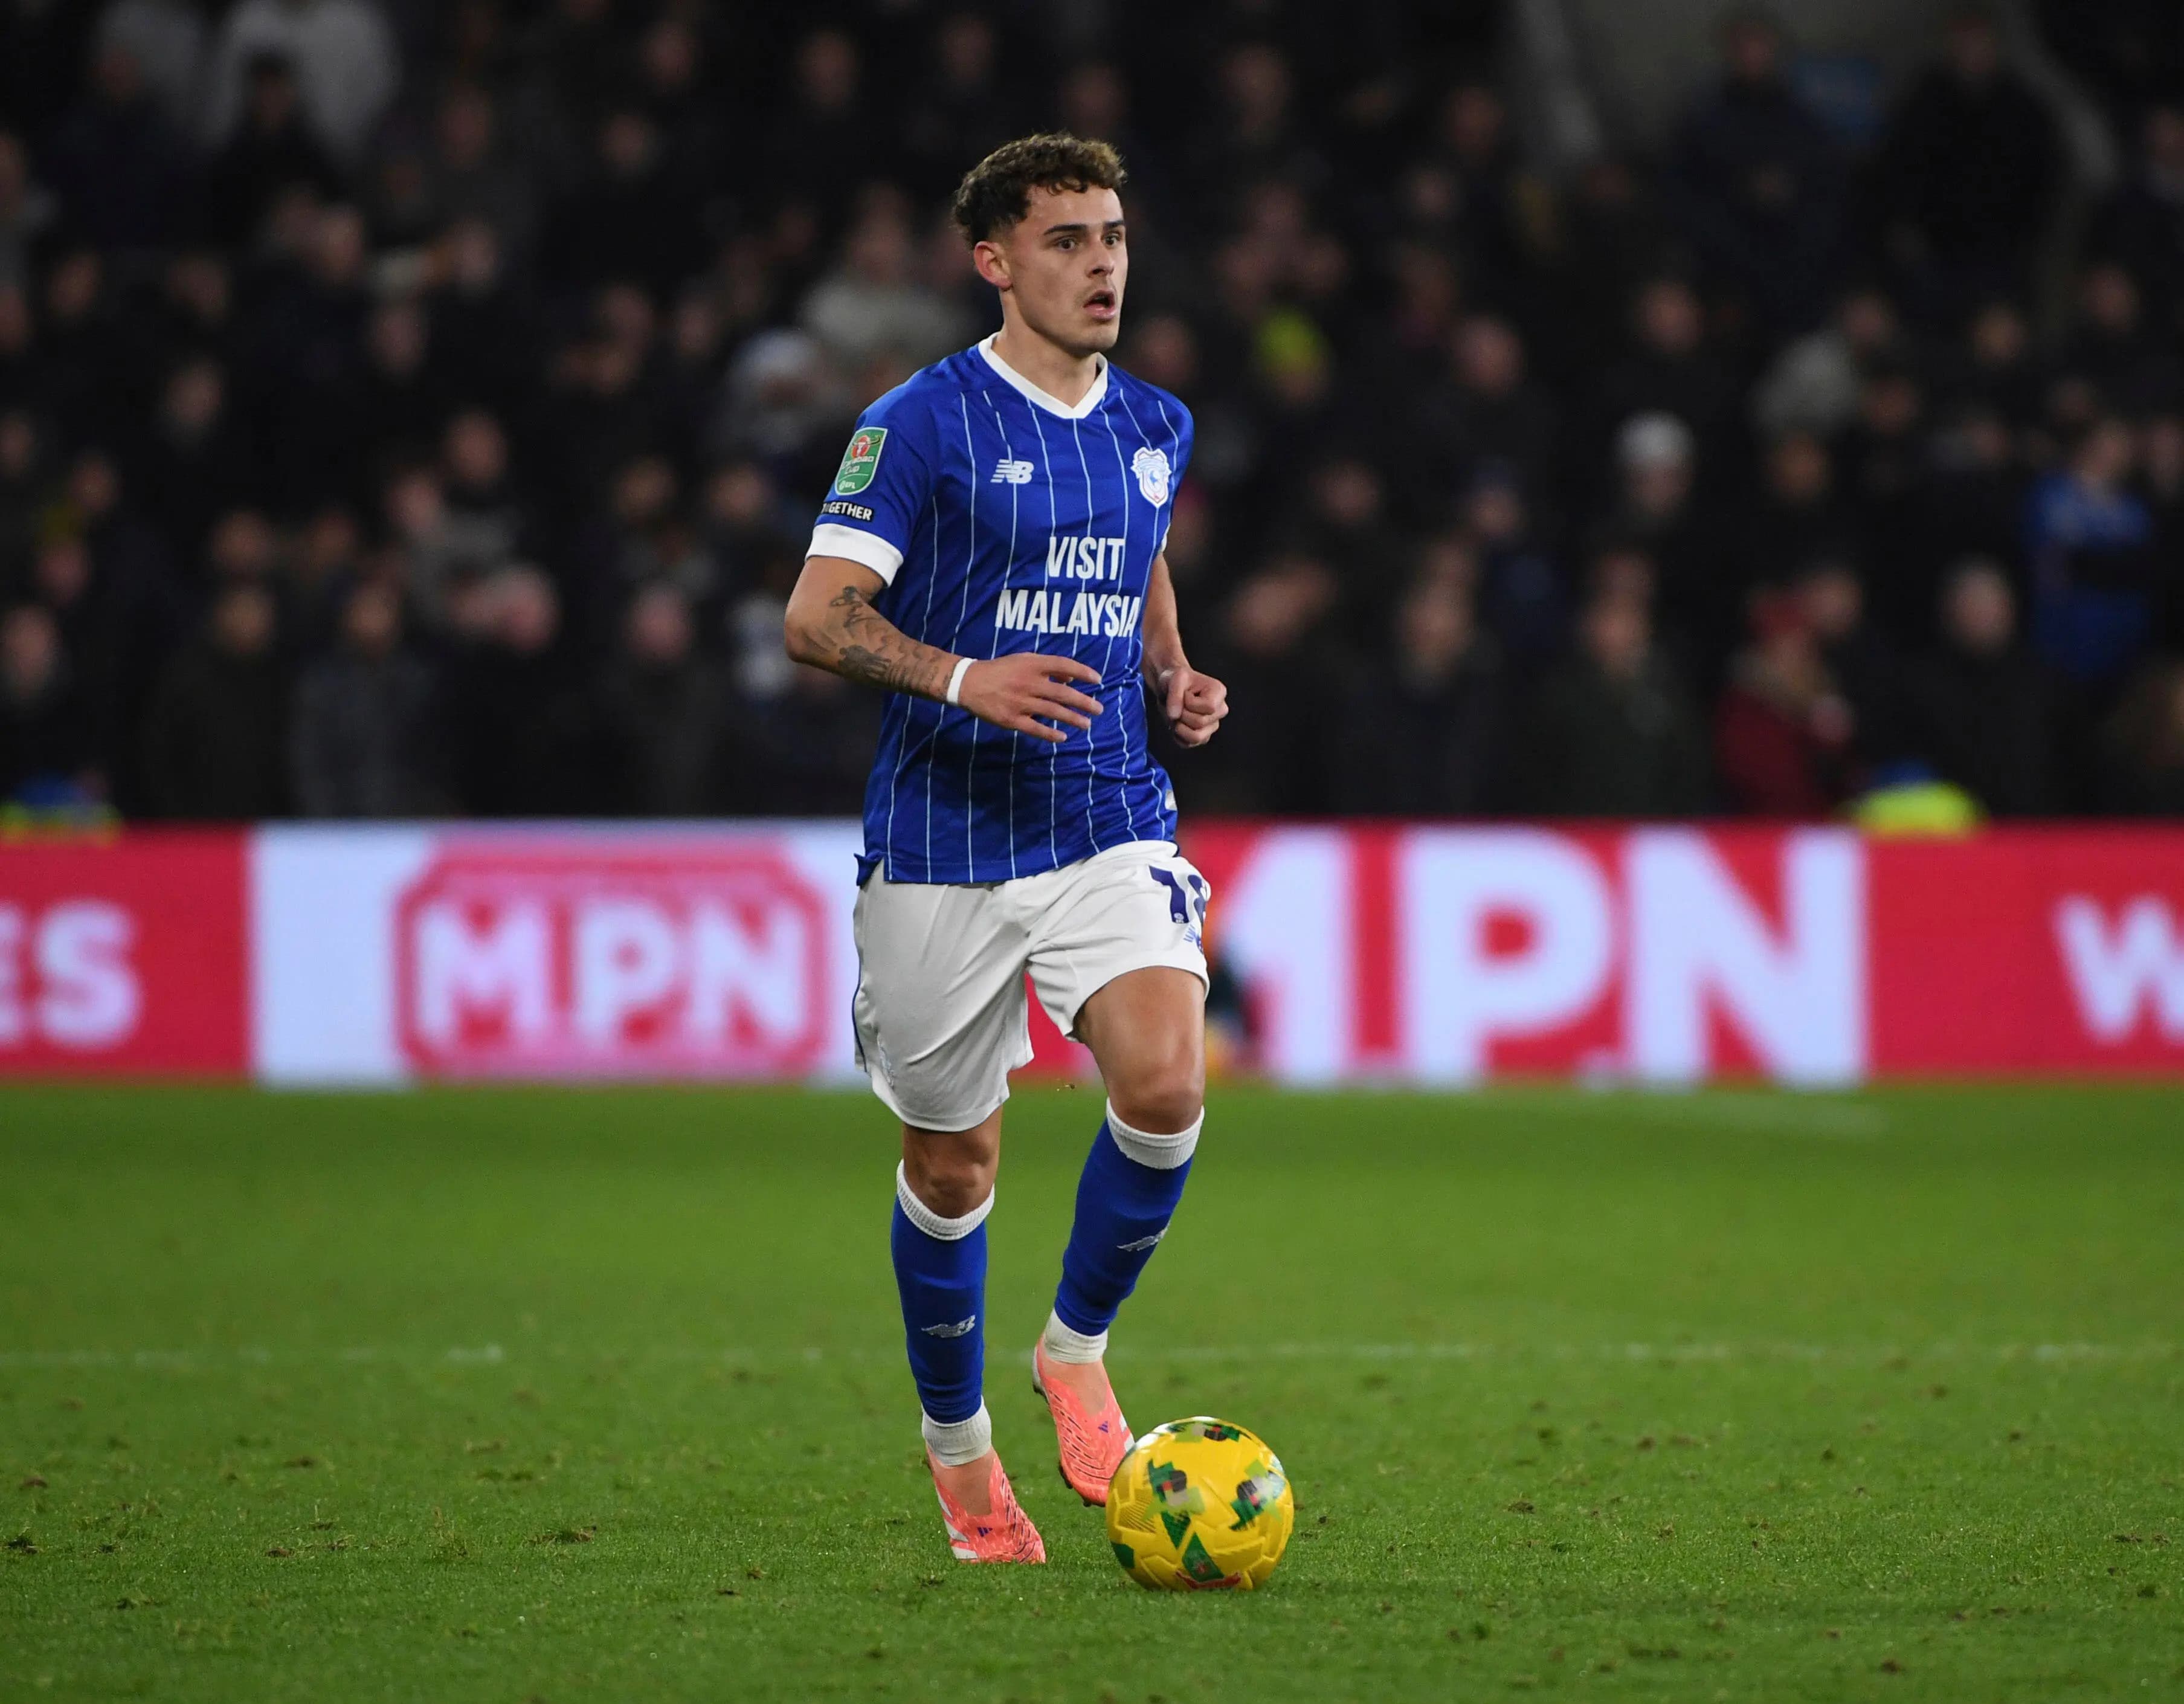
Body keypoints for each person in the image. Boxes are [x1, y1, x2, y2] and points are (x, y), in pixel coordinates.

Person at [782, 135, 1229, 1565]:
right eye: (1065, 241)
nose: (1101, 266)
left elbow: (1139, 546)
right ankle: (958, 1450)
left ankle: (1073, 1349)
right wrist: (965, 679)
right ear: (993, 262)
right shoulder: (917, 423)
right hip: (943, 840)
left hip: (1103, 814)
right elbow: (815, 616)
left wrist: (1169, 667)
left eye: (1113, 238)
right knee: (954, 1168)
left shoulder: (1154, 421)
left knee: (1165, 1084)